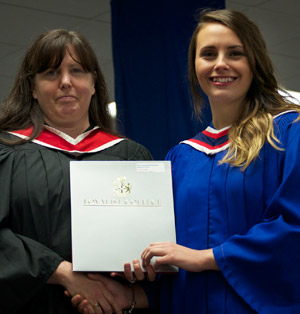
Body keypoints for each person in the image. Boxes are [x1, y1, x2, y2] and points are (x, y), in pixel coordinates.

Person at [71, 8, 300, 314]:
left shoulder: (287, 134)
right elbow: (172, 264)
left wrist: (207, 257)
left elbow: (293, 228)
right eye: (208, 54)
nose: (220, 64)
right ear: (194, 67)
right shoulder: (182, 157)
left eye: (235, 53)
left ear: (254, 61)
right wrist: (136, 290)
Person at [0, 29, 152, 314]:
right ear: (33, 88)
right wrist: (60, 272)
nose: (66, 82)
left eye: (77, 71)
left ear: (93, 83)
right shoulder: (7, 153)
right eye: (51, 73)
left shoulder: (131, 157)